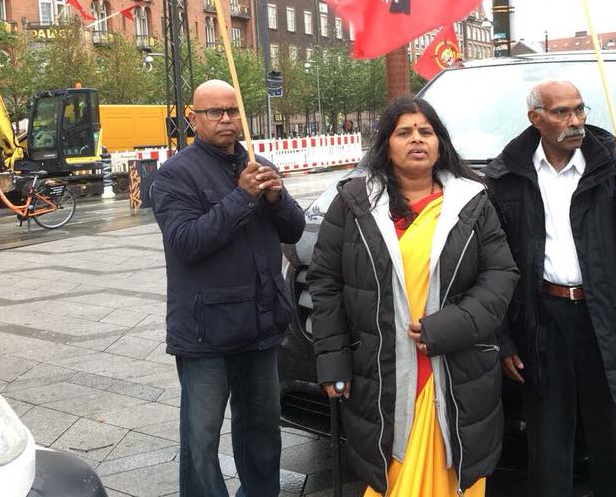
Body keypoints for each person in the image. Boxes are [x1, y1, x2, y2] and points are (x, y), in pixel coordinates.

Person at [308, 96, 518, 497]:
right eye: (404, 132)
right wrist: (333, 359)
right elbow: (326, 282)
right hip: (382, 369)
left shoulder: (472, 201)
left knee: (454, 471)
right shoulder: (354, 204)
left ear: (440, 143)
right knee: (394, 477)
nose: (417, 139)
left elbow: (500, 274)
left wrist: (451, 326)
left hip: (455, 365)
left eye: (426, 131)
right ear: (386, 145)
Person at [485, 79, 616, 497]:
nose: (576, 121)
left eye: (580, 109)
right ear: (535, 118)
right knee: (548, 448)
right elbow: (496, 266)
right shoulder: (508, 176)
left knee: (613, 445)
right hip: (542, 321)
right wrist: (505, 339)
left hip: (604, 320)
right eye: (562, 112)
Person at [151, 79, 305, 497]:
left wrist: (277, 199)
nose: (226, 119)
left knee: (262, 431)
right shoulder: (175, 175)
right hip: (207, 330)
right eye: (214, 112)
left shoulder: (258, 162)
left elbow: (294, 230)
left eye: (233, 111)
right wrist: (242, 197)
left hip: (260, 323)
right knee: (201, 439)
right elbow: (187, 243)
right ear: (193, 118)